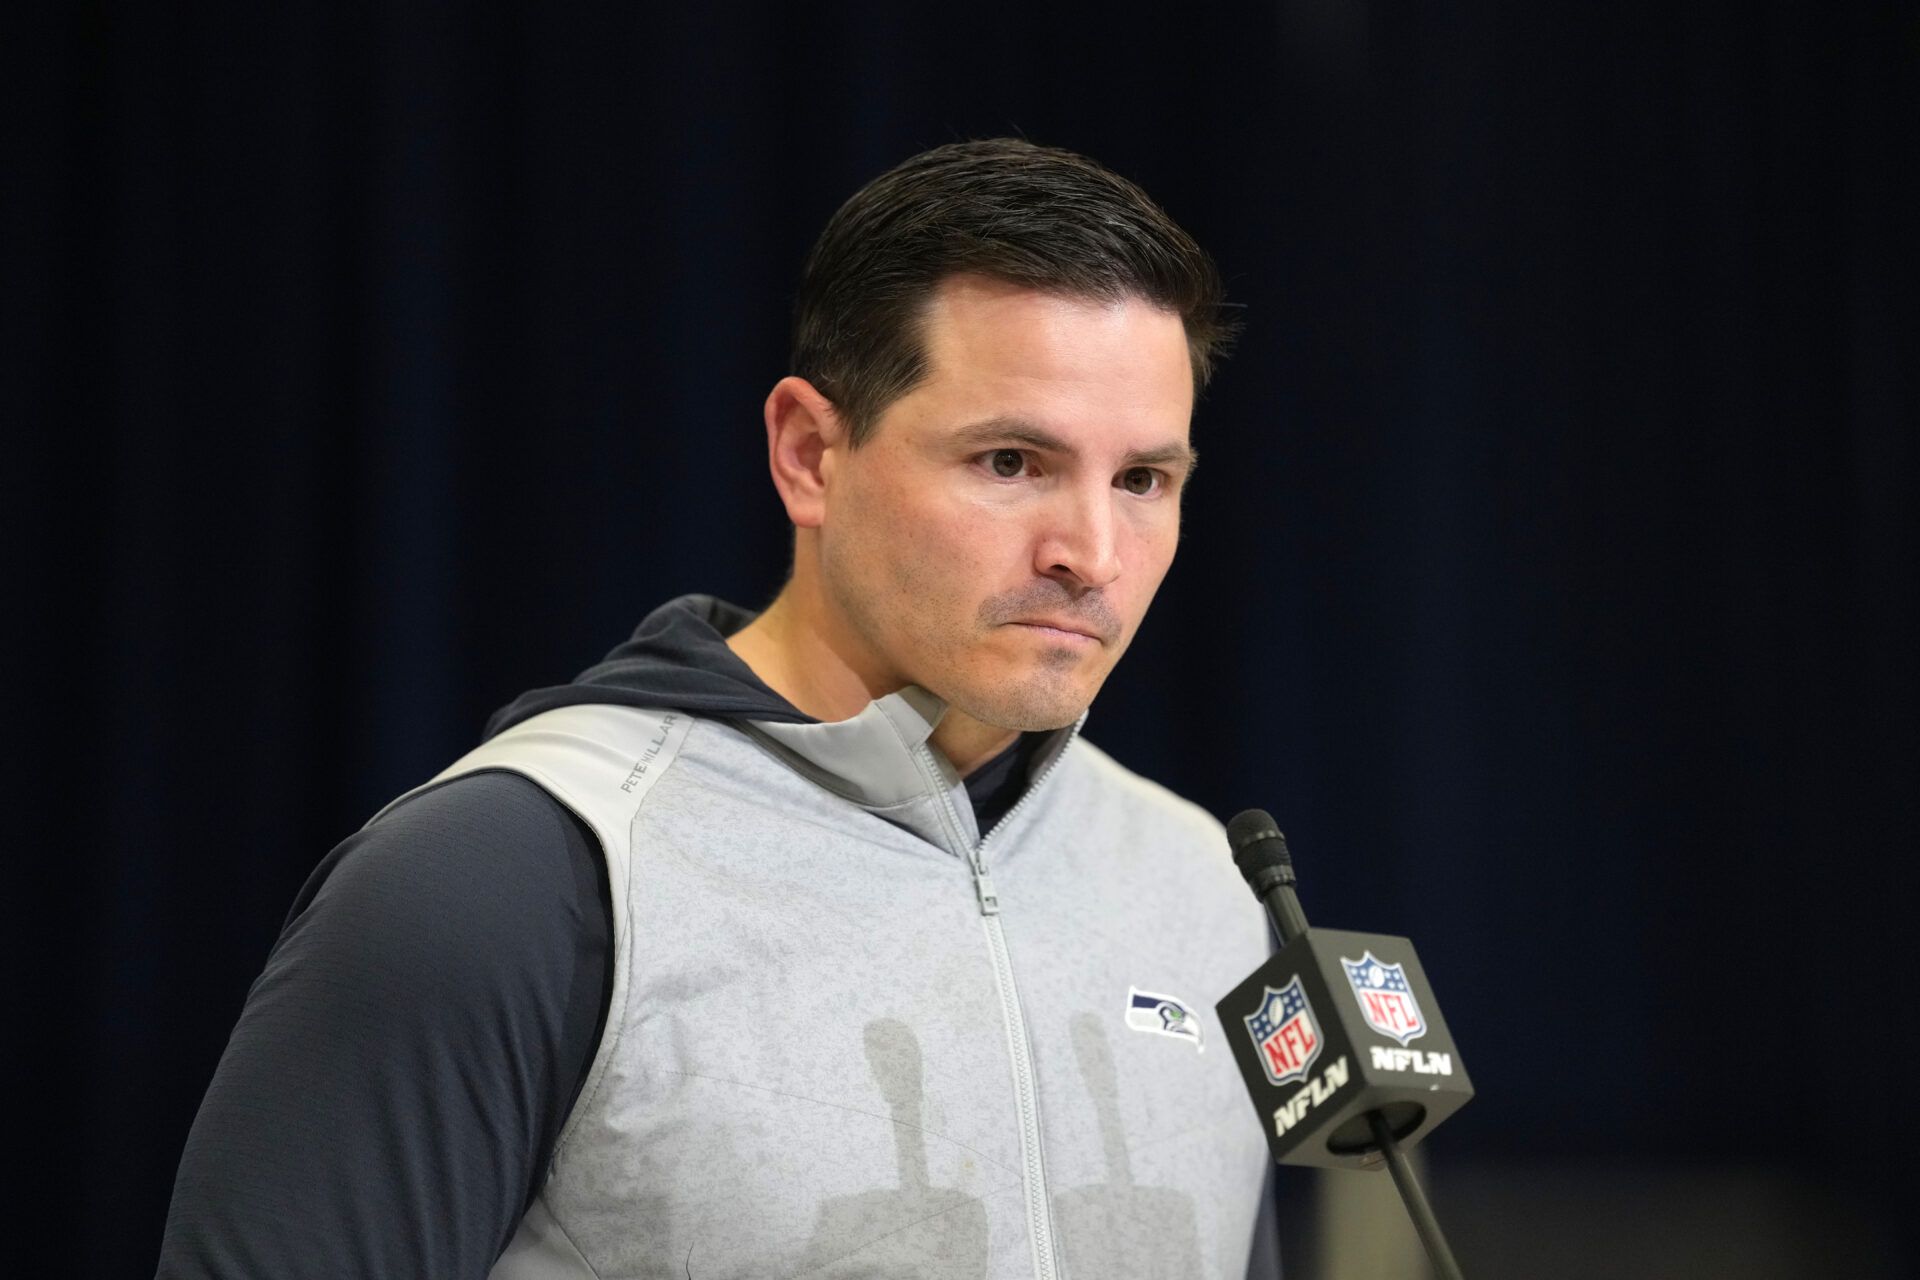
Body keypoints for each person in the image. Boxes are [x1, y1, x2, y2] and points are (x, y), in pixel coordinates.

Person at [159, 138, 1278, 1279]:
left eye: (1143, 480)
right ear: (808, 454)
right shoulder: (508, 875)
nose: (1090, 554)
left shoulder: (1207, 892)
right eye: (1009, 461)